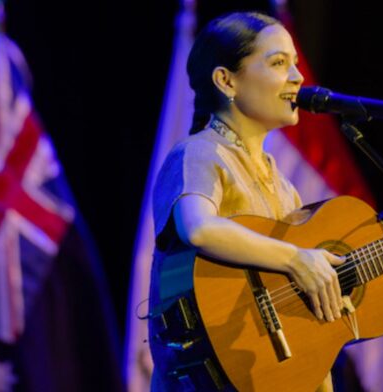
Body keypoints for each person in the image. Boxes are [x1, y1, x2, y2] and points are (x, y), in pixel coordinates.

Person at [148, 11, 343, 391]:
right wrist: (296, 257)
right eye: (278, 63)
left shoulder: (284, 186)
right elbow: (199, 227)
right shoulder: (199, 153)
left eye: (296, 64)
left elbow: (306, 329)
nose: (298, 77)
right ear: (226, 80)